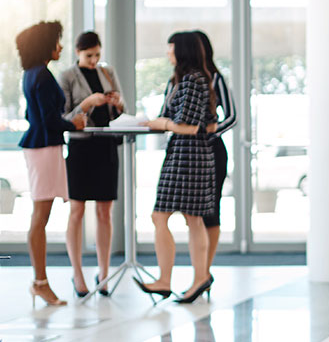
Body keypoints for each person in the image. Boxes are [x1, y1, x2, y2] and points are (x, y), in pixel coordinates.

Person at [134, 31, 219, 304]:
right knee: (188, 219)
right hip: (185, 155)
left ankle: (173, 279)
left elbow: (191, 126)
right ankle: (189, 278)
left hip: (189, 156)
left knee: (168, 216)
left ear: (181, 52)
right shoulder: (187, 80)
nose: (168, 53)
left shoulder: (193, 80)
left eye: (171, 48)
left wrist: (162, 124)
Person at [17, 20, 87, 307]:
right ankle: (40, 283)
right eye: (57, 41)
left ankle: (40, 282)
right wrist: (75, 124)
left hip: (42, 147)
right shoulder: (42, 76)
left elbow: (33, 116)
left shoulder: (32, 74)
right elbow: (48, 120)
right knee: (40, 216)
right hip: (44, 148)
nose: (60, 46)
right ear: (45, 44)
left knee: (40, 215)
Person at [58, 31, 125, 297]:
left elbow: (122, 107)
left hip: (106, 146)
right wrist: (86, 103)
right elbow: (63, 117)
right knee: (76, 211)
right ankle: (77, 273)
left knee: (105, 212)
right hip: (81, 147)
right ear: (77, 52)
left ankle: (104, 272)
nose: (94, 60)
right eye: (89, 56)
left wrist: (118, 103)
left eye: (98, 54)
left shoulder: (107, 72)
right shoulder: (67, 76)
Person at [190, 30, 236, 286]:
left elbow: (232, 116)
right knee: (193, 214)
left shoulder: (215, 79)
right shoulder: (179, 80)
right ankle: (200, 272)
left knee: (211, 210)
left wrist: (210, 130)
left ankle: (204, 272)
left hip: (212, 150)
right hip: (188, 154)